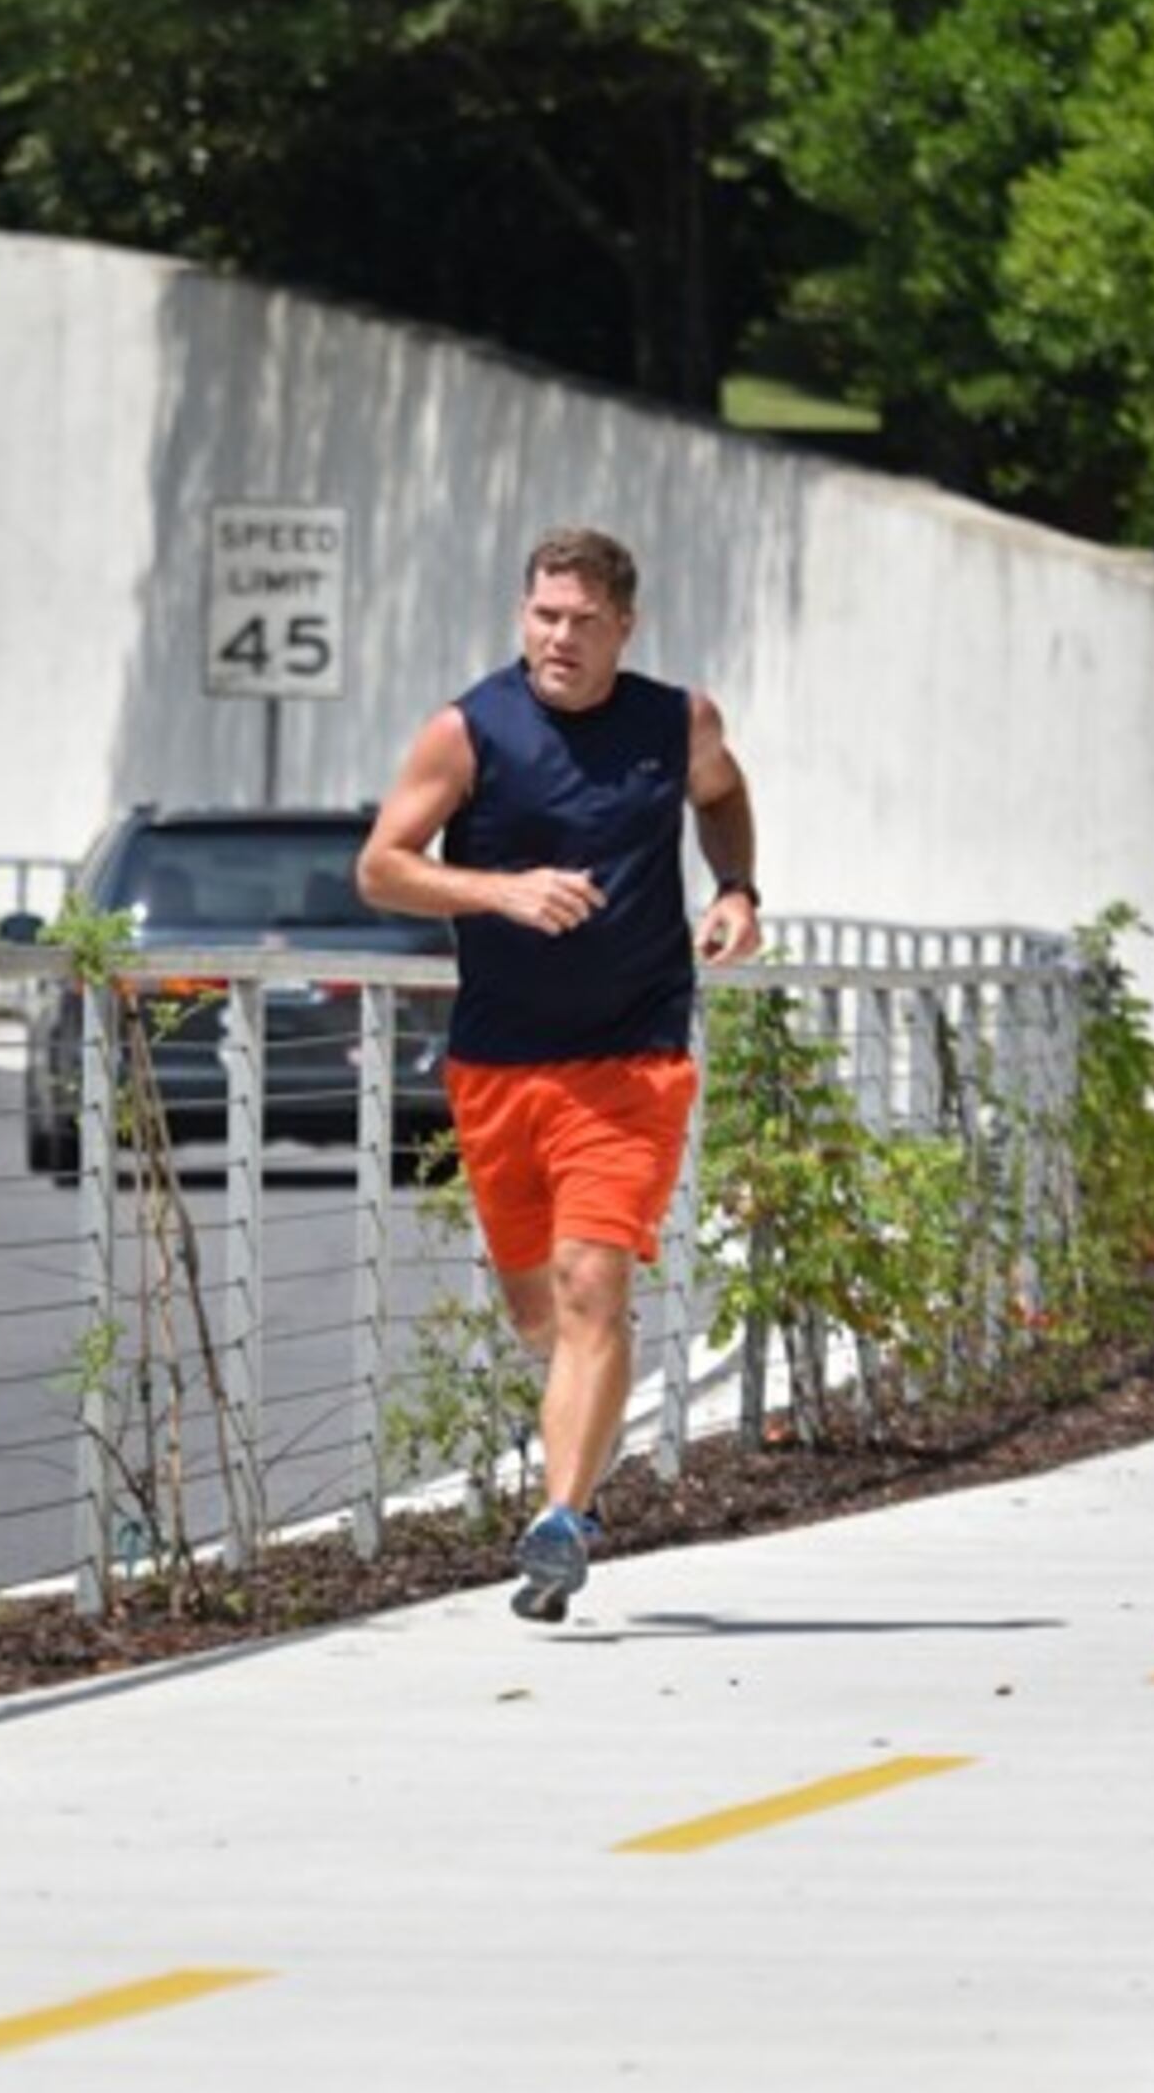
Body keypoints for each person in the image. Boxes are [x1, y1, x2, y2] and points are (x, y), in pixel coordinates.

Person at [355, 525, 759, 1621]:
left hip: (632, 1059)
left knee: (591, 1286)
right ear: (521, 615)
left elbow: (720, 795)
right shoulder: (468, 730)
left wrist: (736, 891)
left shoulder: (677, 722)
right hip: (498, 1068)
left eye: (583, 620)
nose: (560, 638)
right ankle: (589, 1408)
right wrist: (502, 891)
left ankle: (562, 1521)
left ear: (625, 626)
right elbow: (382, 867)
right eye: (544, 615)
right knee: (541, 1311)